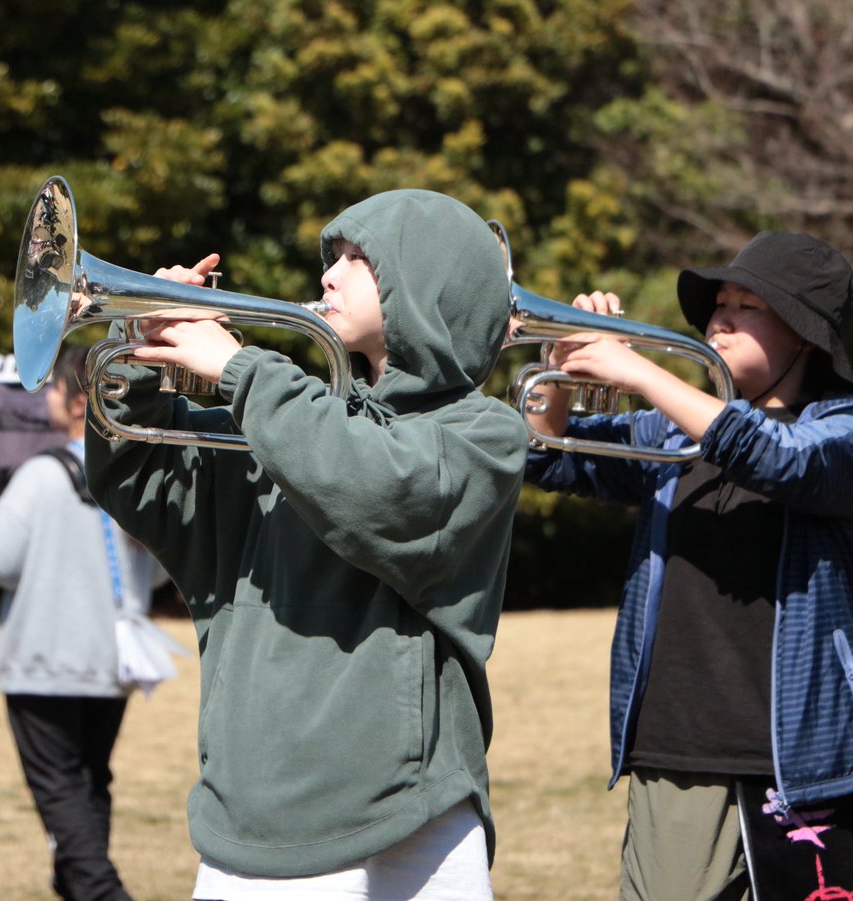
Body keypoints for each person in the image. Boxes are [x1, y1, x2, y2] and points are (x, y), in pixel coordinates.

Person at [84, 189, 529, 899]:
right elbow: (142, 481)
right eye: (333, 257)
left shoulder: (485, 433)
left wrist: (240, 369)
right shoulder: (288, 420)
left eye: (359, 258)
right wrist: (139, 353)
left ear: (427, 280)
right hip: (261, 813)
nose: (328, 274)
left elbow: (382, 495)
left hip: (418, 811)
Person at [523, 231, 853, 899]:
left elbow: (779, 456)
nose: (718, 319)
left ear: (806, 335)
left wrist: (639, 369)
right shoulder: (669, 434)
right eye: (717, 304)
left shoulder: (840, 428)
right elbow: (544, 455)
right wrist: (558, 371)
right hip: (679, 749)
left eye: (747, 305)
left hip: (806, 762)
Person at [0, 345, 167, 901]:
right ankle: (77, 889)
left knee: (62, 790)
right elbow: (162, 573)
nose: (45, 396)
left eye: (54, 387)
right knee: (91, 783)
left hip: (43, 660)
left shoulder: (39, 475)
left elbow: (1, 562)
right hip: (110, 661)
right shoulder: (135, 474)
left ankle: (100, 892)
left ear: (76, 401)